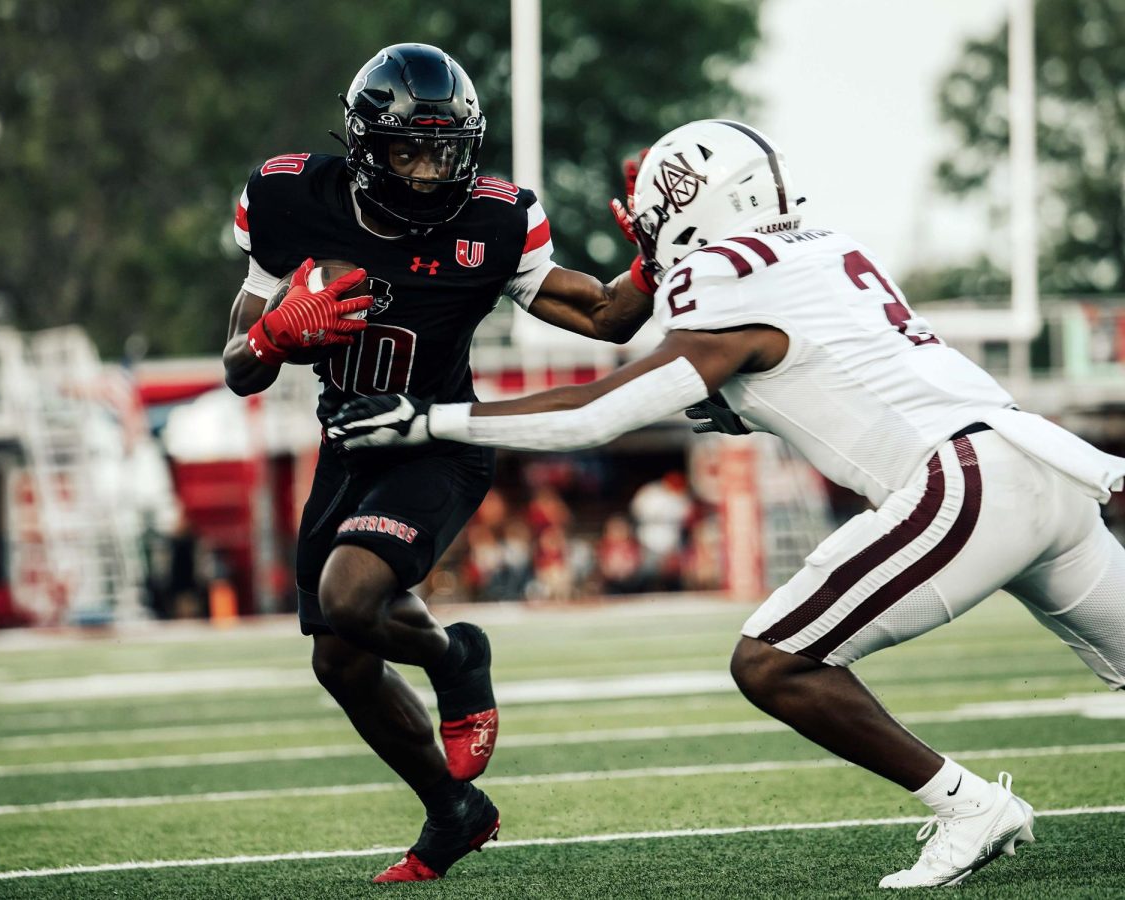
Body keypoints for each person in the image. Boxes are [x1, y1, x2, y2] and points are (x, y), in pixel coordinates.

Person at [326, 118, 1125, 889]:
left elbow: (597, 410)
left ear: (682, 208)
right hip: (1045, 463)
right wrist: (737, 402)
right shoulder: (830, 245)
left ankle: (969, 806)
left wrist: (426, 419)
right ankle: (972, 806)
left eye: (651, 223)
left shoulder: (719, 272)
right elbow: (823, 369)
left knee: (772, 661)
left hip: (966, 483)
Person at [221, 44, 656, 883]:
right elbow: (238, 365)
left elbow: (607, 318)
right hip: (349, 440)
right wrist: (273, 334)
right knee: (339, 660)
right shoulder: (288, 198)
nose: (427, 172)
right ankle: (454, 810)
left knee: (352, 597)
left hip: (438, 438)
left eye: (445, 152)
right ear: (363, 148)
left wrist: (651, 257)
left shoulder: (495, 219)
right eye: (407, 151)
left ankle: (459, 659)